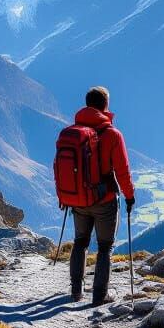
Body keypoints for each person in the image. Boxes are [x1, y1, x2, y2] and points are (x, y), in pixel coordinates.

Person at [67, 86, 135, 306]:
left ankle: (76, 291)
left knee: (80, 242)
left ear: (87, 104)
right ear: (106, 105)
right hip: (104, 200)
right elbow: (122, 170)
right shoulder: (112, 134)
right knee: (105, 247)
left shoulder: (74, 131)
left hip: (78, 198)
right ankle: (99, 296)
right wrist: (129, 196)